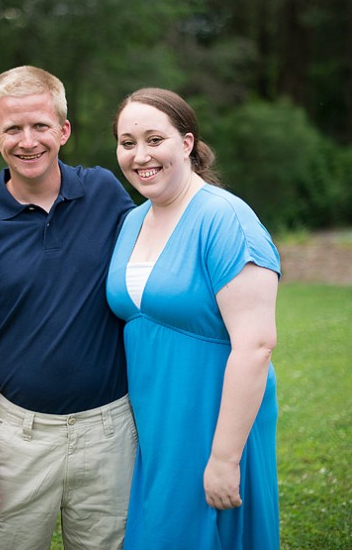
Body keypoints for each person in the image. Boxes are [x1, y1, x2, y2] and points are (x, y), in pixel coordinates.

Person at [0, 66, 137, 550]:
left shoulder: (105, 193)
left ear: (63, 130)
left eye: (41, 126)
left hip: (110, 432)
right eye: (13, 128)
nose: (29, 141)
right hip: (21, 437)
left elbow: (156, 252)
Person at [106, 87, 281, 550]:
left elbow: (256, 345)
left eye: (153, 139)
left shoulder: (225, 219)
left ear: (186, 143)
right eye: (127, 143)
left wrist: (224, 458)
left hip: (214, 419)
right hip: (157, 419)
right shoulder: (133, 220)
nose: (140, 155)